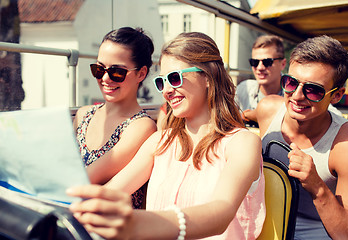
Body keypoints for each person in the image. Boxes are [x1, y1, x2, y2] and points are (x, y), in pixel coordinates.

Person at [67, 32, 265, 240]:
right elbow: (113, 191)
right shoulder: (160, 142)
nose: (167, 90)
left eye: (174, 78)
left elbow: (221, 213)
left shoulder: (243, 142)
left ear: (207, 77)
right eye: (162, 82)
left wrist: (137, 223)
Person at [255, 35, 348, 239]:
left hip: (317, 230)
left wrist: (317, 186)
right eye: (291, 82)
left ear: (337, 95)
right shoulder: (267, 109)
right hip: (263, 220)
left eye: (313, 90)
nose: (297, 95)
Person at [72, 27, 157, 209]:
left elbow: (86, 178)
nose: (105, 78)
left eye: (117, 72)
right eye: (98, 68)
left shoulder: (142, 127)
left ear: (141, 74)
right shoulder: (82, 115)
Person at [236, 35, 286, 122]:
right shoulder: (243, 89)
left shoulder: (294, 95)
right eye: (254, 62)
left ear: (283, 64)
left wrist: (247, 115)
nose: (260, 67)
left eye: (267, 62)